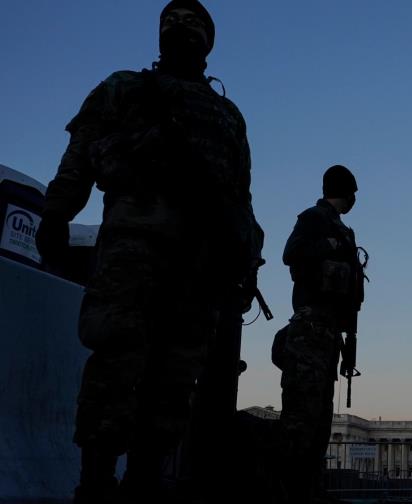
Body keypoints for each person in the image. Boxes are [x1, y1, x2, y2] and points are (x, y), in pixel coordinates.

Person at [35, 1, 263, 502]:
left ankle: (138, 482)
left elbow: (238, 198)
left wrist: (243, 261)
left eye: (190, 28)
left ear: (206, 43)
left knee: (172, 378)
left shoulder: (223, 115)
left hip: (190, 263)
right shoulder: (128, 89)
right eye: (174, 27)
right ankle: (98, 482)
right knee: (120, 363)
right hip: (137, 251)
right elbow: (79, 157)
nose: (181, 35)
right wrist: (56, 213)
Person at [275, 165, 365, 503]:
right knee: (302, 408)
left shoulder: (345, 230)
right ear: (347, 191)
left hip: (331, 327)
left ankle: (310, 486)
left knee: (322, 411)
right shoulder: (314, 218)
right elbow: (291, 254)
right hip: (311, 320)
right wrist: (327, 245)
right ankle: (289, 488)